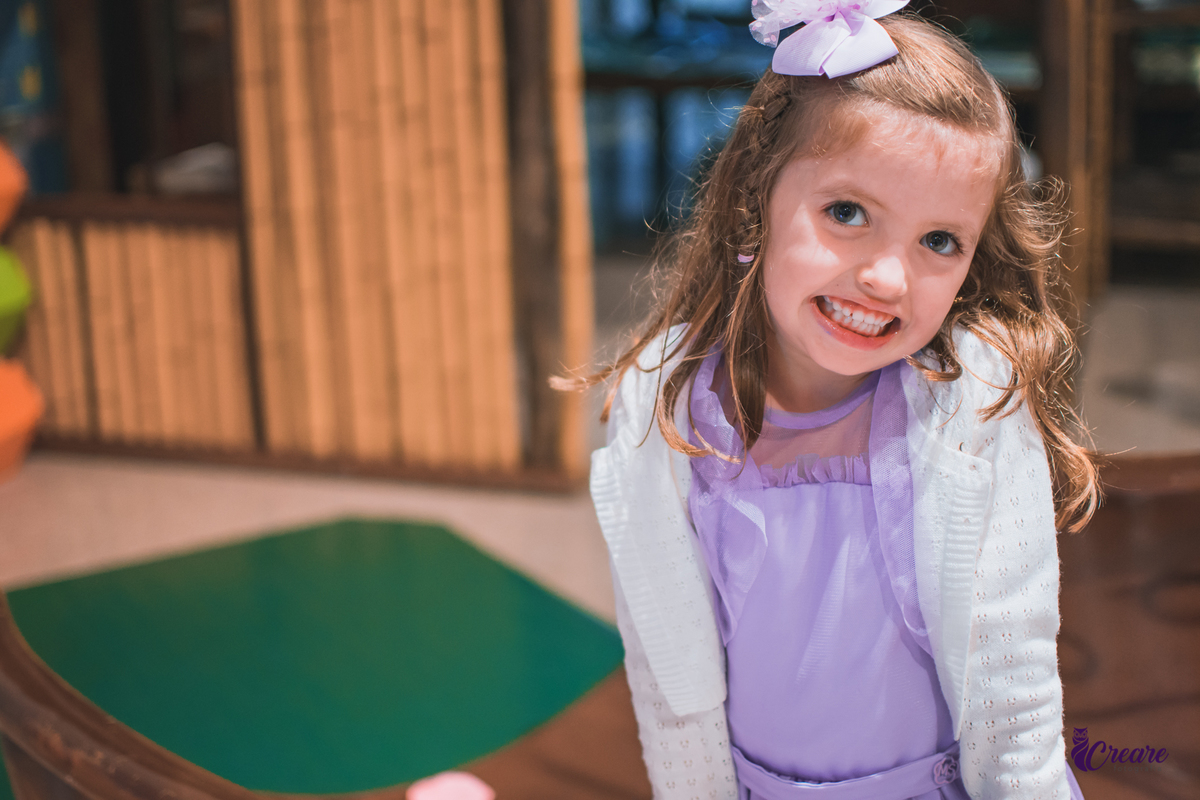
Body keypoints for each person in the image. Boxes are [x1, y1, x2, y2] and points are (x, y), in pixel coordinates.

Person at [569, 3, 1100, 799]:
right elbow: (669, 684)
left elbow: (1014, 699)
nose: (888, 278)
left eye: (939, 241)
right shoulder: (669, 411)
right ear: (758, 198)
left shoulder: (972, 409)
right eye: (846, 213)